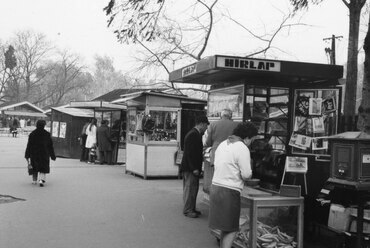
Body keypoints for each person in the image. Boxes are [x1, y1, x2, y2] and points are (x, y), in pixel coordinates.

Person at [208, 121, 258, 248]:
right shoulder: (242, 148)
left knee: (225, 227)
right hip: (229, 192)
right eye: (251, 140)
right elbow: (246, 174)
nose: (251, 143)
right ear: (246, 137)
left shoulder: (223, 144)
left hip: (215, 188)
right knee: (232, 229)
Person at [180, 115, 209, 218]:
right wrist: (194, 168)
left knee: (193, 189)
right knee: (190, 189)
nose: (206, 128)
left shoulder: (195, 134)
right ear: (201, 124)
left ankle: (191, 208)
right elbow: (189, 153)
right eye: (206, 126)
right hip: (190, 168)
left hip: (191, 167)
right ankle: (188, 210)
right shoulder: (193, 134)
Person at [25, 119, 56, 187]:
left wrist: (27, 155)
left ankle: (34, 180)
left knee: (34, 167)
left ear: (36, 125)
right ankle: (41, 180)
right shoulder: (47, 134)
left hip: (34, 153)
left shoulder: (32, 134)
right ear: (44, 125)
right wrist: (52, 155)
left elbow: (29, 145)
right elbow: (50, 146)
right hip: (44, 153)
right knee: (42, 168)